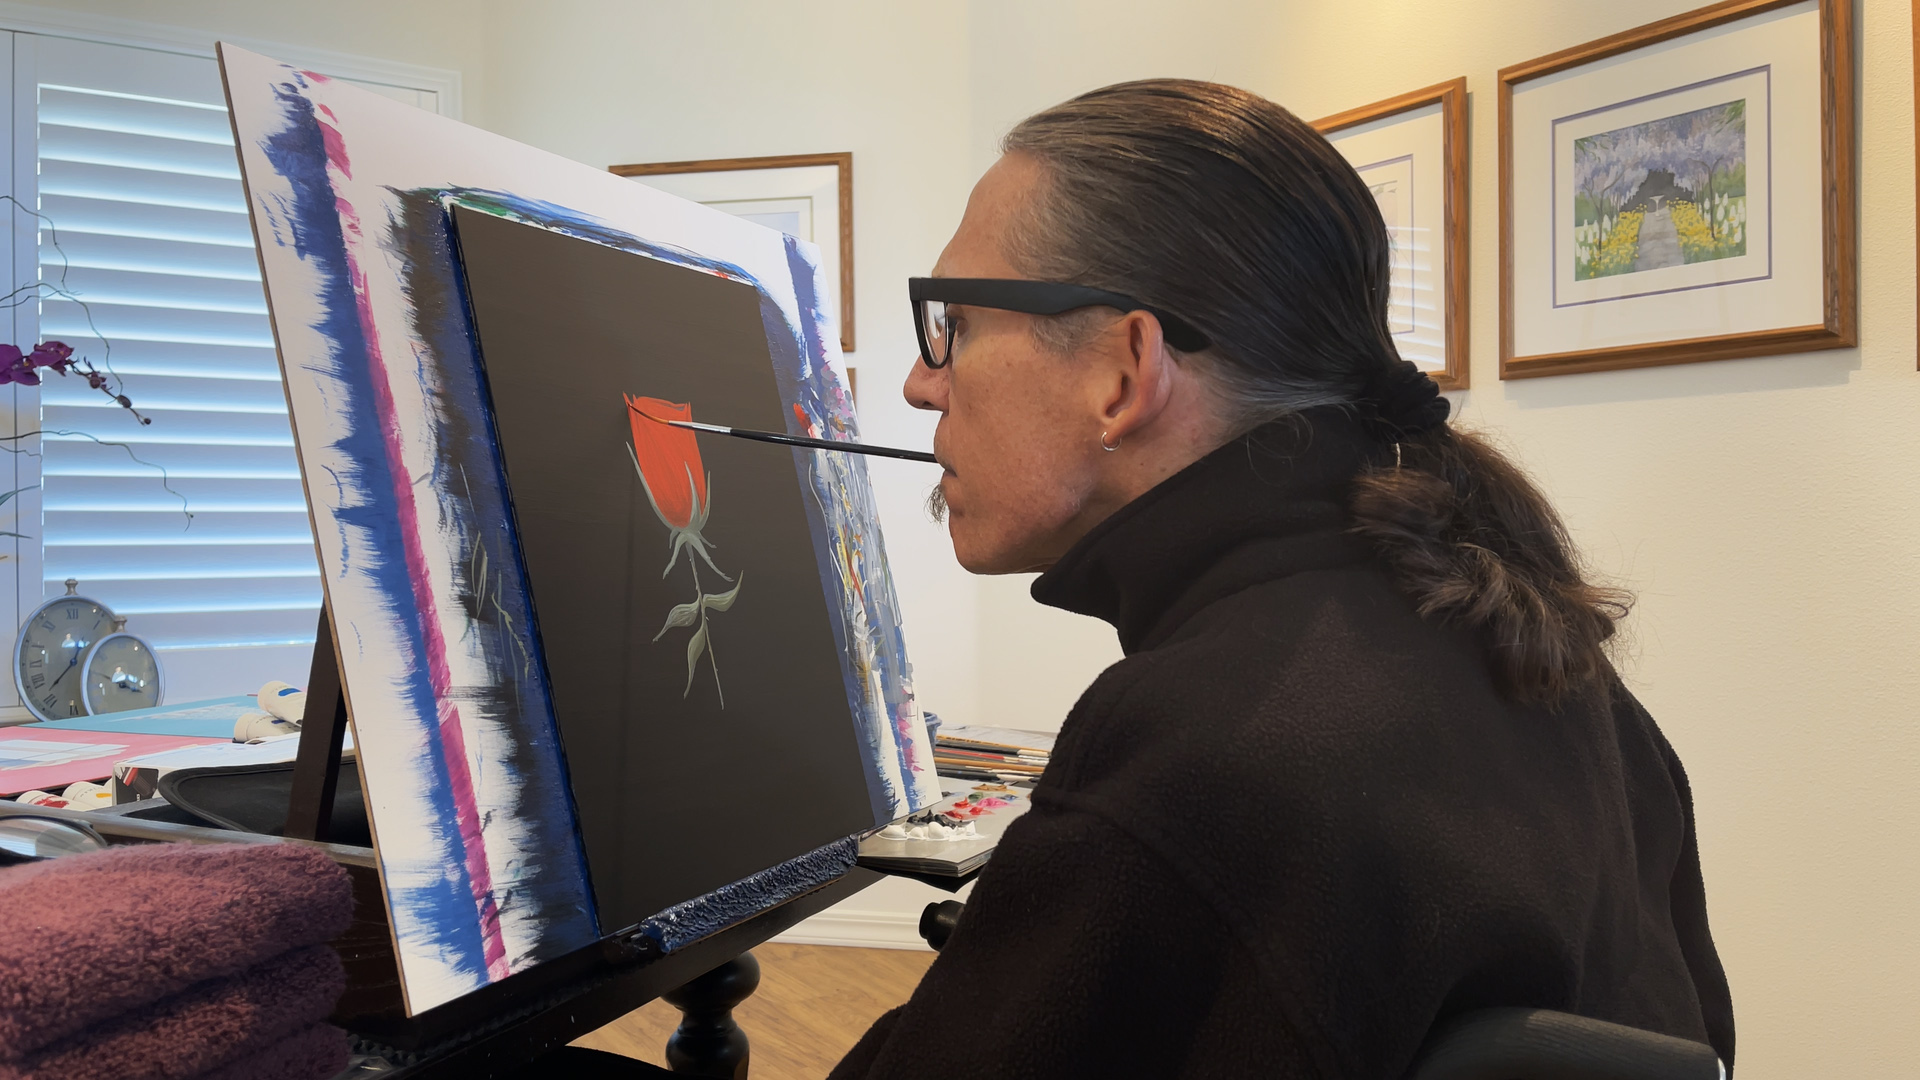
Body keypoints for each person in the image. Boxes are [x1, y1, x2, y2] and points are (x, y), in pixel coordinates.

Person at [828, 79, 1733, 1079]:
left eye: (955, 323)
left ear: (1123, 371)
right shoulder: (1520, 638)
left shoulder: (1204, 745)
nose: (921, 382)